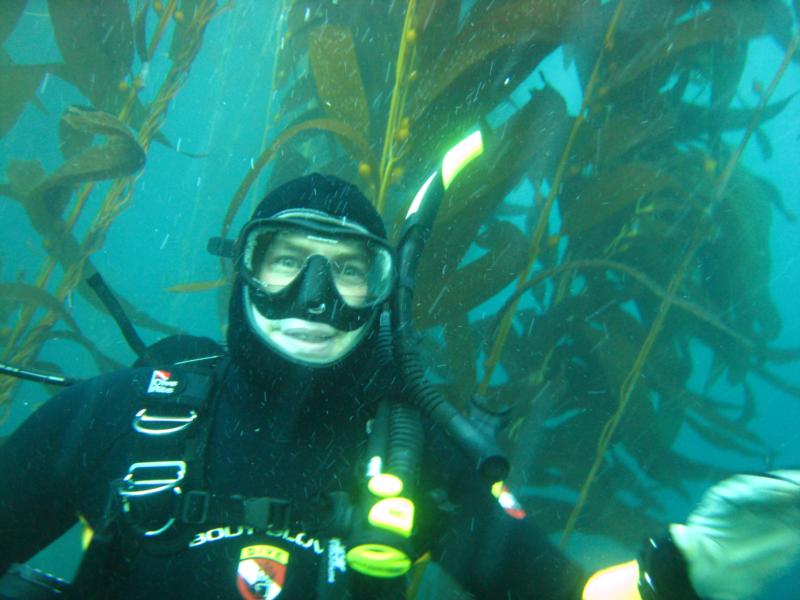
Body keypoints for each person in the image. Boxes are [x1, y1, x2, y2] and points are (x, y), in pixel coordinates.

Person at [0, 173, 798, 600]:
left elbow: (569, 592)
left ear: (385, 295)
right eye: (286, 261)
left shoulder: (416, 457)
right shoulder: (114, 417)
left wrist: (678, 572)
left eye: (350, 271)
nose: (316, 298)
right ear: (242, 270)